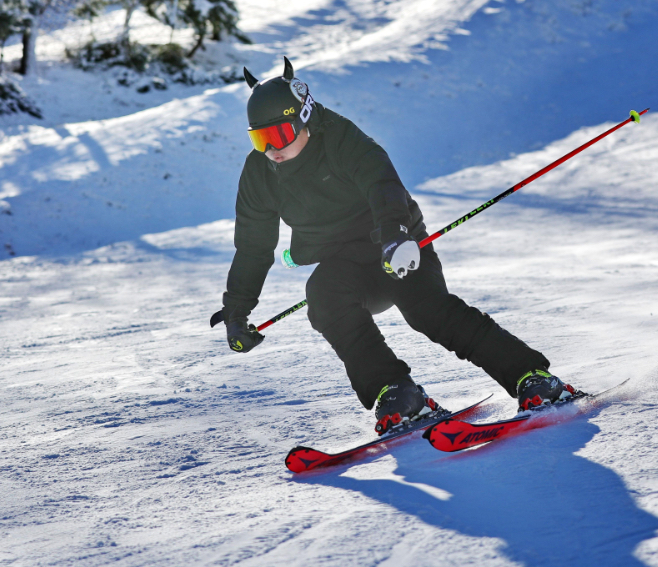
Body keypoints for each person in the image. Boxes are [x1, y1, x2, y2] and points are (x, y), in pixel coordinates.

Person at [214, 57, 575, 434]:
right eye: (260, 139)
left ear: (304, 117)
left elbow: (381, 182)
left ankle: (532, 376)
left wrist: (396, 235)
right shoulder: (260, 173)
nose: (271, 149)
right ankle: (396, 392)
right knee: (323, 295)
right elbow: (254, 246)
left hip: (394, 245)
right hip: (343, 262)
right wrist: (237, 310)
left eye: (280, 135)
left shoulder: (340, 137)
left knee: (428, 311)